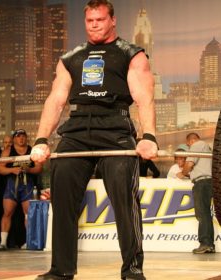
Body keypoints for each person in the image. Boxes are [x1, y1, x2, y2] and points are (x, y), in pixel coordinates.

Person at [30, 1, 157, 279]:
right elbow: (56, 100)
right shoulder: (71, 58)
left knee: (124, 198)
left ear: (112, 20)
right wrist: (41, 139)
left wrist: (148, 136)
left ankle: (132, 270)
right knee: (62, 192)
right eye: (90, 20)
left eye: (100, 19)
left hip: (115, 128)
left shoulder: (131, 54)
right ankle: (61, 271)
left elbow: (144, 97)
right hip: (76, 130)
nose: (95, 24)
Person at [0, 129, 42, 250]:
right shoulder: (8, 151)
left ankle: (29, 241)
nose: (21, 139)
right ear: (14, 139)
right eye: (18, 136)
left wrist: (28, 170)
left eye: (23, 136)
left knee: (29, 215)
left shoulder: (32, 151)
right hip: (12, 185)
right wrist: (12, 170)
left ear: (26, 138)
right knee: (7, 213)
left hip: (27, 186)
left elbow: (38, 168)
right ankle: (3, 242)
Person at [181, 133, 214, 254]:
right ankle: (209, 244)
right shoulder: (207, 148)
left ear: (191, 140)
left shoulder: (197, 145)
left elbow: (189, 164)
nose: (188, 146)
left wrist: (183, 173)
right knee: (205, 214)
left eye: (188, 144)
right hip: (209, 182)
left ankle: (205, 243)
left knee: (202, 214)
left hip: (202, 183)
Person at [0, 135, 12, 247]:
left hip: (12, 190)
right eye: (5, 142)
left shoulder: (13, 155)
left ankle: (11, 242)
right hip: (0, 190)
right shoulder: (1, 155)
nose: (8, 144)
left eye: (10, 142)